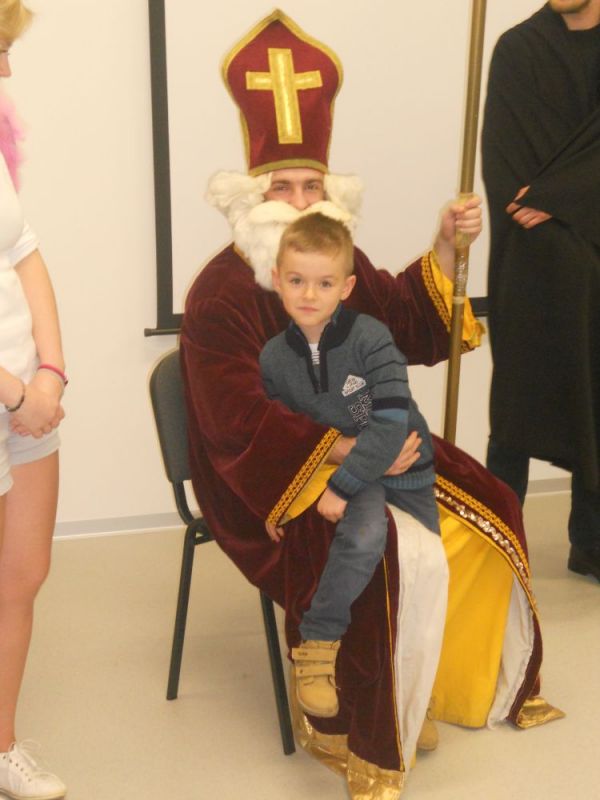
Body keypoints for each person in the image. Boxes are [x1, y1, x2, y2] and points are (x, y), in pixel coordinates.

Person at [181, 10, 562, 798]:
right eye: (281, 187)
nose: (297, 202)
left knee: (490, 503)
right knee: (375, 545)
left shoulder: (332, 264)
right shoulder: (221, 292)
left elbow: (407, 319)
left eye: (310, 186)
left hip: (367, 447)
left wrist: (448, 246)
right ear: (252, 195)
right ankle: (353, 721)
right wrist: (343, 458)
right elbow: (237, 425)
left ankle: (432, 682)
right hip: (268, 480)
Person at [260, 213, 440, 719]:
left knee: (424, 568)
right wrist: (279, 498)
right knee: (363, 538)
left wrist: (342, 484)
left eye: (324, 283)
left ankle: (412, 696)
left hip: (404, 466)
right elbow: (283, 436)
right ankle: (317, 646)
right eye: (296, 280)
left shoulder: (372, 338)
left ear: (346, 287)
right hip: (359, 472)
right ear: (277, 280)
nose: (308, 294)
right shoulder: (273, 358)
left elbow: (391, 423)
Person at [482, 0, 600, 581]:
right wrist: (556, 208)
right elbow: (506, 166)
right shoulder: (519, 49)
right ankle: (493, 542)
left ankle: (592, 543)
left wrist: (560, 197)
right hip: (531, 259)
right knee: (516, 405)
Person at [0, 3, 67, 799]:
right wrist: (17, 391)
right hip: (9, 395)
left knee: (22, 573)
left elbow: (24, 249)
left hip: (27, 397)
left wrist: (50, 371)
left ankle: (2, 744)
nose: (8, 68)